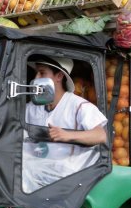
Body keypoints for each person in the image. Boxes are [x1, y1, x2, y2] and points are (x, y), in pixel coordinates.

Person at [22, 56, 107, 192]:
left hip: (66, 178)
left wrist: (67, 135)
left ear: (59, 76)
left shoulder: (79, 106)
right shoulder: (31, 107)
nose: (36, 78)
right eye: (36, 73)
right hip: (34, 175)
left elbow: (100, 135)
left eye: (42, 73)